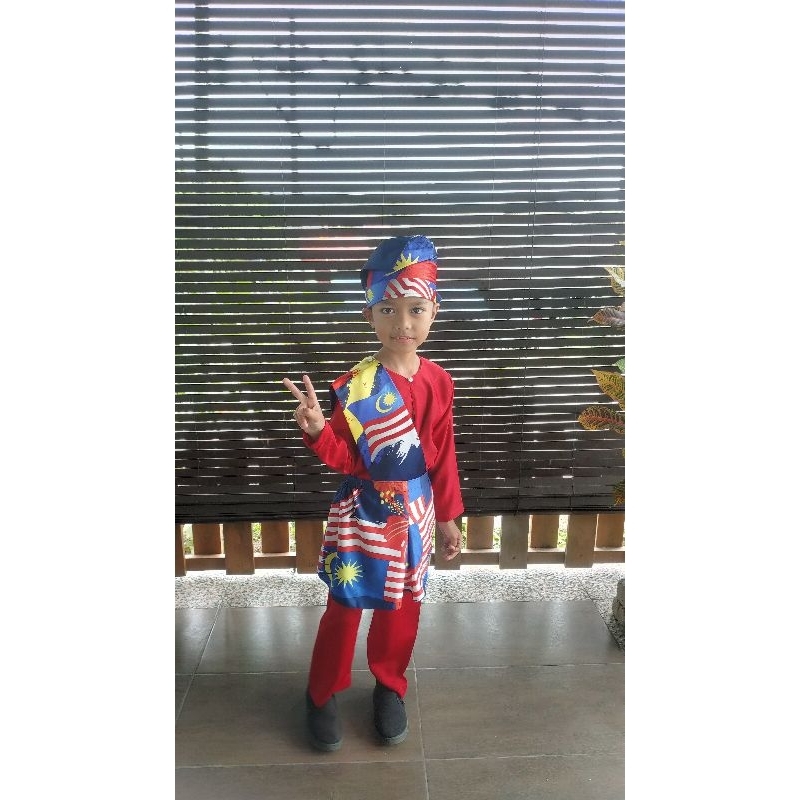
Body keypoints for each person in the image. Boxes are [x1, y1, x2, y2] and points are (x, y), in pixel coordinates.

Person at [282, 233, 464, 752]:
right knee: (345, 605)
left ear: (433, 312)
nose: (402, 323)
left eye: (415, 309)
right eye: (387, 310)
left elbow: (443, 453)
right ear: (370, 316)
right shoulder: (358, 387)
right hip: (363, 510)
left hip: (417, 509)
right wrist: (319, 430)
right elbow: (345, 457)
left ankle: (390, 685)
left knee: (402, 607)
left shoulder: (440, 382)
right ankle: (321, 692)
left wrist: (448, 516)